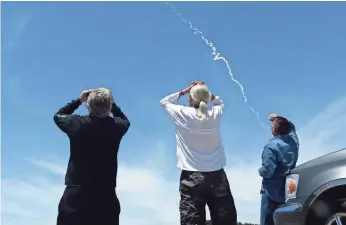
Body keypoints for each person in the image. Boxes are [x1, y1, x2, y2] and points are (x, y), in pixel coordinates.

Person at [160, 81, 237, 225]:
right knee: (225, 219)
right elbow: (219, 102)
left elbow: (164, 102)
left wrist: (185, 90)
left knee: (192, 220)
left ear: (190, 99)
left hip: (191, 175)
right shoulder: (215, 113)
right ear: (207, 98)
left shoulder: (182, 114)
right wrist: (206, 91)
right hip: (217, 174)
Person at [53, 88, 130, 225]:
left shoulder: (77, 124)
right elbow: (125, 120)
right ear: (109, 106)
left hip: (76, 195)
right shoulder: (116, 127)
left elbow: (59, 115)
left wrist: (78, 100)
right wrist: (113, 104)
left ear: (88, 106)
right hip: (106, 196)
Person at [259, 114, 299, 225]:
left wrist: (260, 171)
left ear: (273, 130)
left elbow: (267, 171)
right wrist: (279, 117)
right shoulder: (294, 142)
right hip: (287, 191)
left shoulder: (271, 146)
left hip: (271, 192)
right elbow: (292, 127)